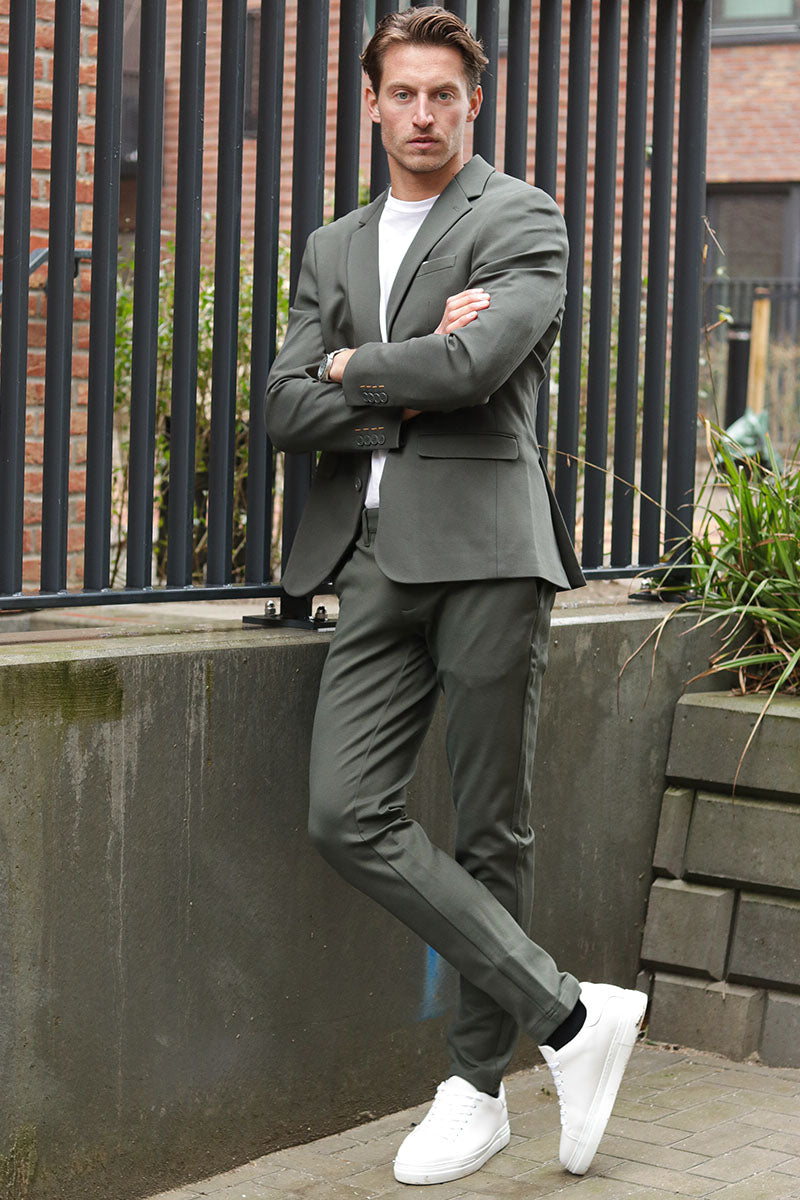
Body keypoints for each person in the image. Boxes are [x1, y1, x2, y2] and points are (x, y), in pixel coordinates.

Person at [265, 7, 646, 1187]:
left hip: (485, 552)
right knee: (344, 814)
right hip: (367, 560)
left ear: (471, 104)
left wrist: (350, 365)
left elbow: (476, 367)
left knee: (490, 830)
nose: (422, 114)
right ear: (370, 105)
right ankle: (571, 1015)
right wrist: (404, 372)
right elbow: (280, 405)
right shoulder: (332, 245)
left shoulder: (518, 216)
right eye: (403, 94)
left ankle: (475, 1090)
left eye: (443, 95)